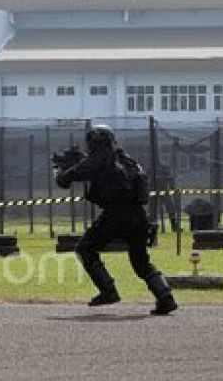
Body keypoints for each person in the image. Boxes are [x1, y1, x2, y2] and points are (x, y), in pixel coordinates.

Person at [55, 125, 177, 315]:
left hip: (115, 214)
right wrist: (78, 164)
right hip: (138, 215)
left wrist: (59, 170)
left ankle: (108, 290)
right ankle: (166, 297)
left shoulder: (97, 159)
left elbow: (65, 180)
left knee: (85, 248)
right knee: (141, 262)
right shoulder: (127, 160)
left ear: (93, 142)